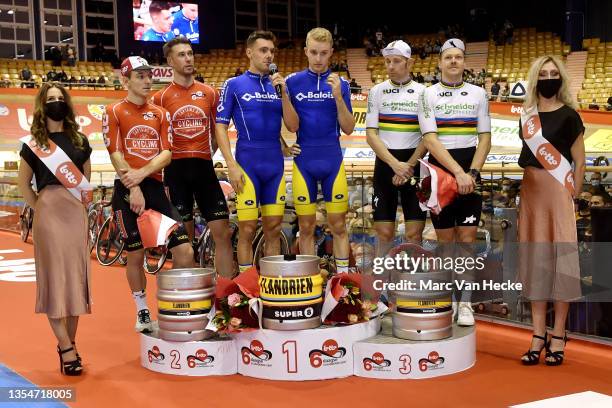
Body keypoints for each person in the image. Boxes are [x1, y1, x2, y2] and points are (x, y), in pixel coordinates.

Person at [103, 56, 193, 333]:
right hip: (125, 189)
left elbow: (167, 154)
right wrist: (133, 187)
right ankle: (142, 309)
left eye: (148, 75)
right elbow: (115, 152)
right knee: (135, 254)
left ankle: (176, 305)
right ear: (125, 80)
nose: (146, 80)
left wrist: (141, 177)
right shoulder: (114, 111)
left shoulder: (160, 113)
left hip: (153, 187)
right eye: (139, 76)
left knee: (185, 250)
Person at [18, 82, 91, 375]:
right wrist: (40, 207)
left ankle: (68, 344)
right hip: (49, 214)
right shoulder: (34, 143)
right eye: (51, 99)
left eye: (61, 98)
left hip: (76, 214)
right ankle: (66, 348)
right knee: (54, 281)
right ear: (41, 105)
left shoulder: (81, 140)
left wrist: (80, 209)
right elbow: (24, 184)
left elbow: (85, 184)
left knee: (74, 281)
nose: (56, 102)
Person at [517, 55, 586, 366]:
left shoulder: (571, 116)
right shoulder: (527, 116)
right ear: (536, 79)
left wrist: (573, 194)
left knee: (561, 262)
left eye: (553, 73)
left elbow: (580, 162)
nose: (548, 78)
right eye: (543, 73)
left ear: (561, 79)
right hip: (531, 192)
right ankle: (537, 333)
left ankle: (558, 334)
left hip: (559, 192)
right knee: (535, 261)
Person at [418, 38, 492, 326]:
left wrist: (471, 173)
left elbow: (485, 138)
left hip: (470, 175)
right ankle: (448, 300)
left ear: (464, 62)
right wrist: (457, 174)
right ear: (439, 62)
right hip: (441, 175)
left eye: (458, 57)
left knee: (467, 243)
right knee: (446, 243)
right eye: (448, 57)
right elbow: (430, 140)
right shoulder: (428, 95)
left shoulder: (478, 94)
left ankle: (466, 304)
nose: (453, 61)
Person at [153, 37, 234, 278]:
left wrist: (207, 154)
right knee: (183, 242)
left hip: (204, 169)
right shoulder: (160, 98)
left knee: (223, 233)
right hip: (176, 171)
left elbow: (217, 131)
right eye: (181, 55)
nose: (188, 58)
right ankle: (186, 297)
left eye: (190, 53)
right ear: (170, 61)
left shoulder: (209, 92)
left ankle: (226, 295)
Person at [215, 31, 293, 272]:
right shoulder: (234, 84)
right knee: (247, 228)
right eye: (263, 50)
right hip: (247, 164)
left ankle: (272, 282)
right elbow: (220, 125)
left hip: (274, 166)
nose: (268, 55)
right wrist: (231, 164)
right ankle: (246, 287)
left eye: (271, 51)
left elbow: (290, 125)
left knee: (274, 228)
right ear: (249, 52)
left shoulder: (278, 84)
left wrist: (285, 93)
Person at [282, 27, 355, 272]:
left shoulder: (341, 84)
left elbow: (348, 128)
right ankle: (309, 279)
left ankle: (343, 281)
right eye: (313, 52)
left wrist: (337, 97)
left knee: (339, 226)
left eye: (324, 53)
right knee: (305, 226)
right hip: (305, 163)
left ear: (331, 53)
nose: (318, 59)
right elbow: (291, 126)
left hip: (332, 161)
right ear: (306, 51)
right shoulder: (292, 83)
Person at [366, 40, 427, 257]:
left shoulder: (423, 92)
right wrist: (395, 165)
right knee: (384, 233)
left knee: (414, 233)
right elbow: (371, 135)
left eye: (397, 61)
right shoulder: (376, 91)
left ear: (409, 63)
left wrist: (407, 166)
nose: (390, 66)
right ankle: (383, 287)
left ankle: (414, 284)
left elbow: (428, 137)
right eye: (387, 61)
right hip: (385, 166)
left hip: (414, 166)